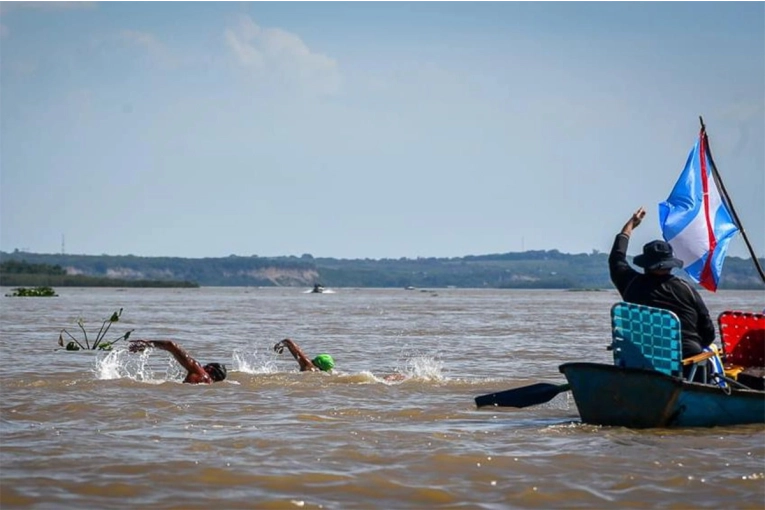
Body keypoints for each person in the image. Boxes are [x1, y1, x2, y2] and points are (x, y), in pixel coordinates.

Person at [608, 206, 716, 379]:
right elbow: (708, 333)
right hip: (687, 366)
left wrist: (630, 225)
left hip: (639, 362)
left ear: (645, 264)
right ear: (670, 264)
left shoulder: (630, 283)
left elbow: (616, 257)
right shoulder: (687, 289)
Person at [129, 340, 227, 384]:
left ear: (209, 369)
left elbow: (171, 345)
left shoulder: (199, 370)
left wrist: (146, 344)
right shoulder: (208, 383)